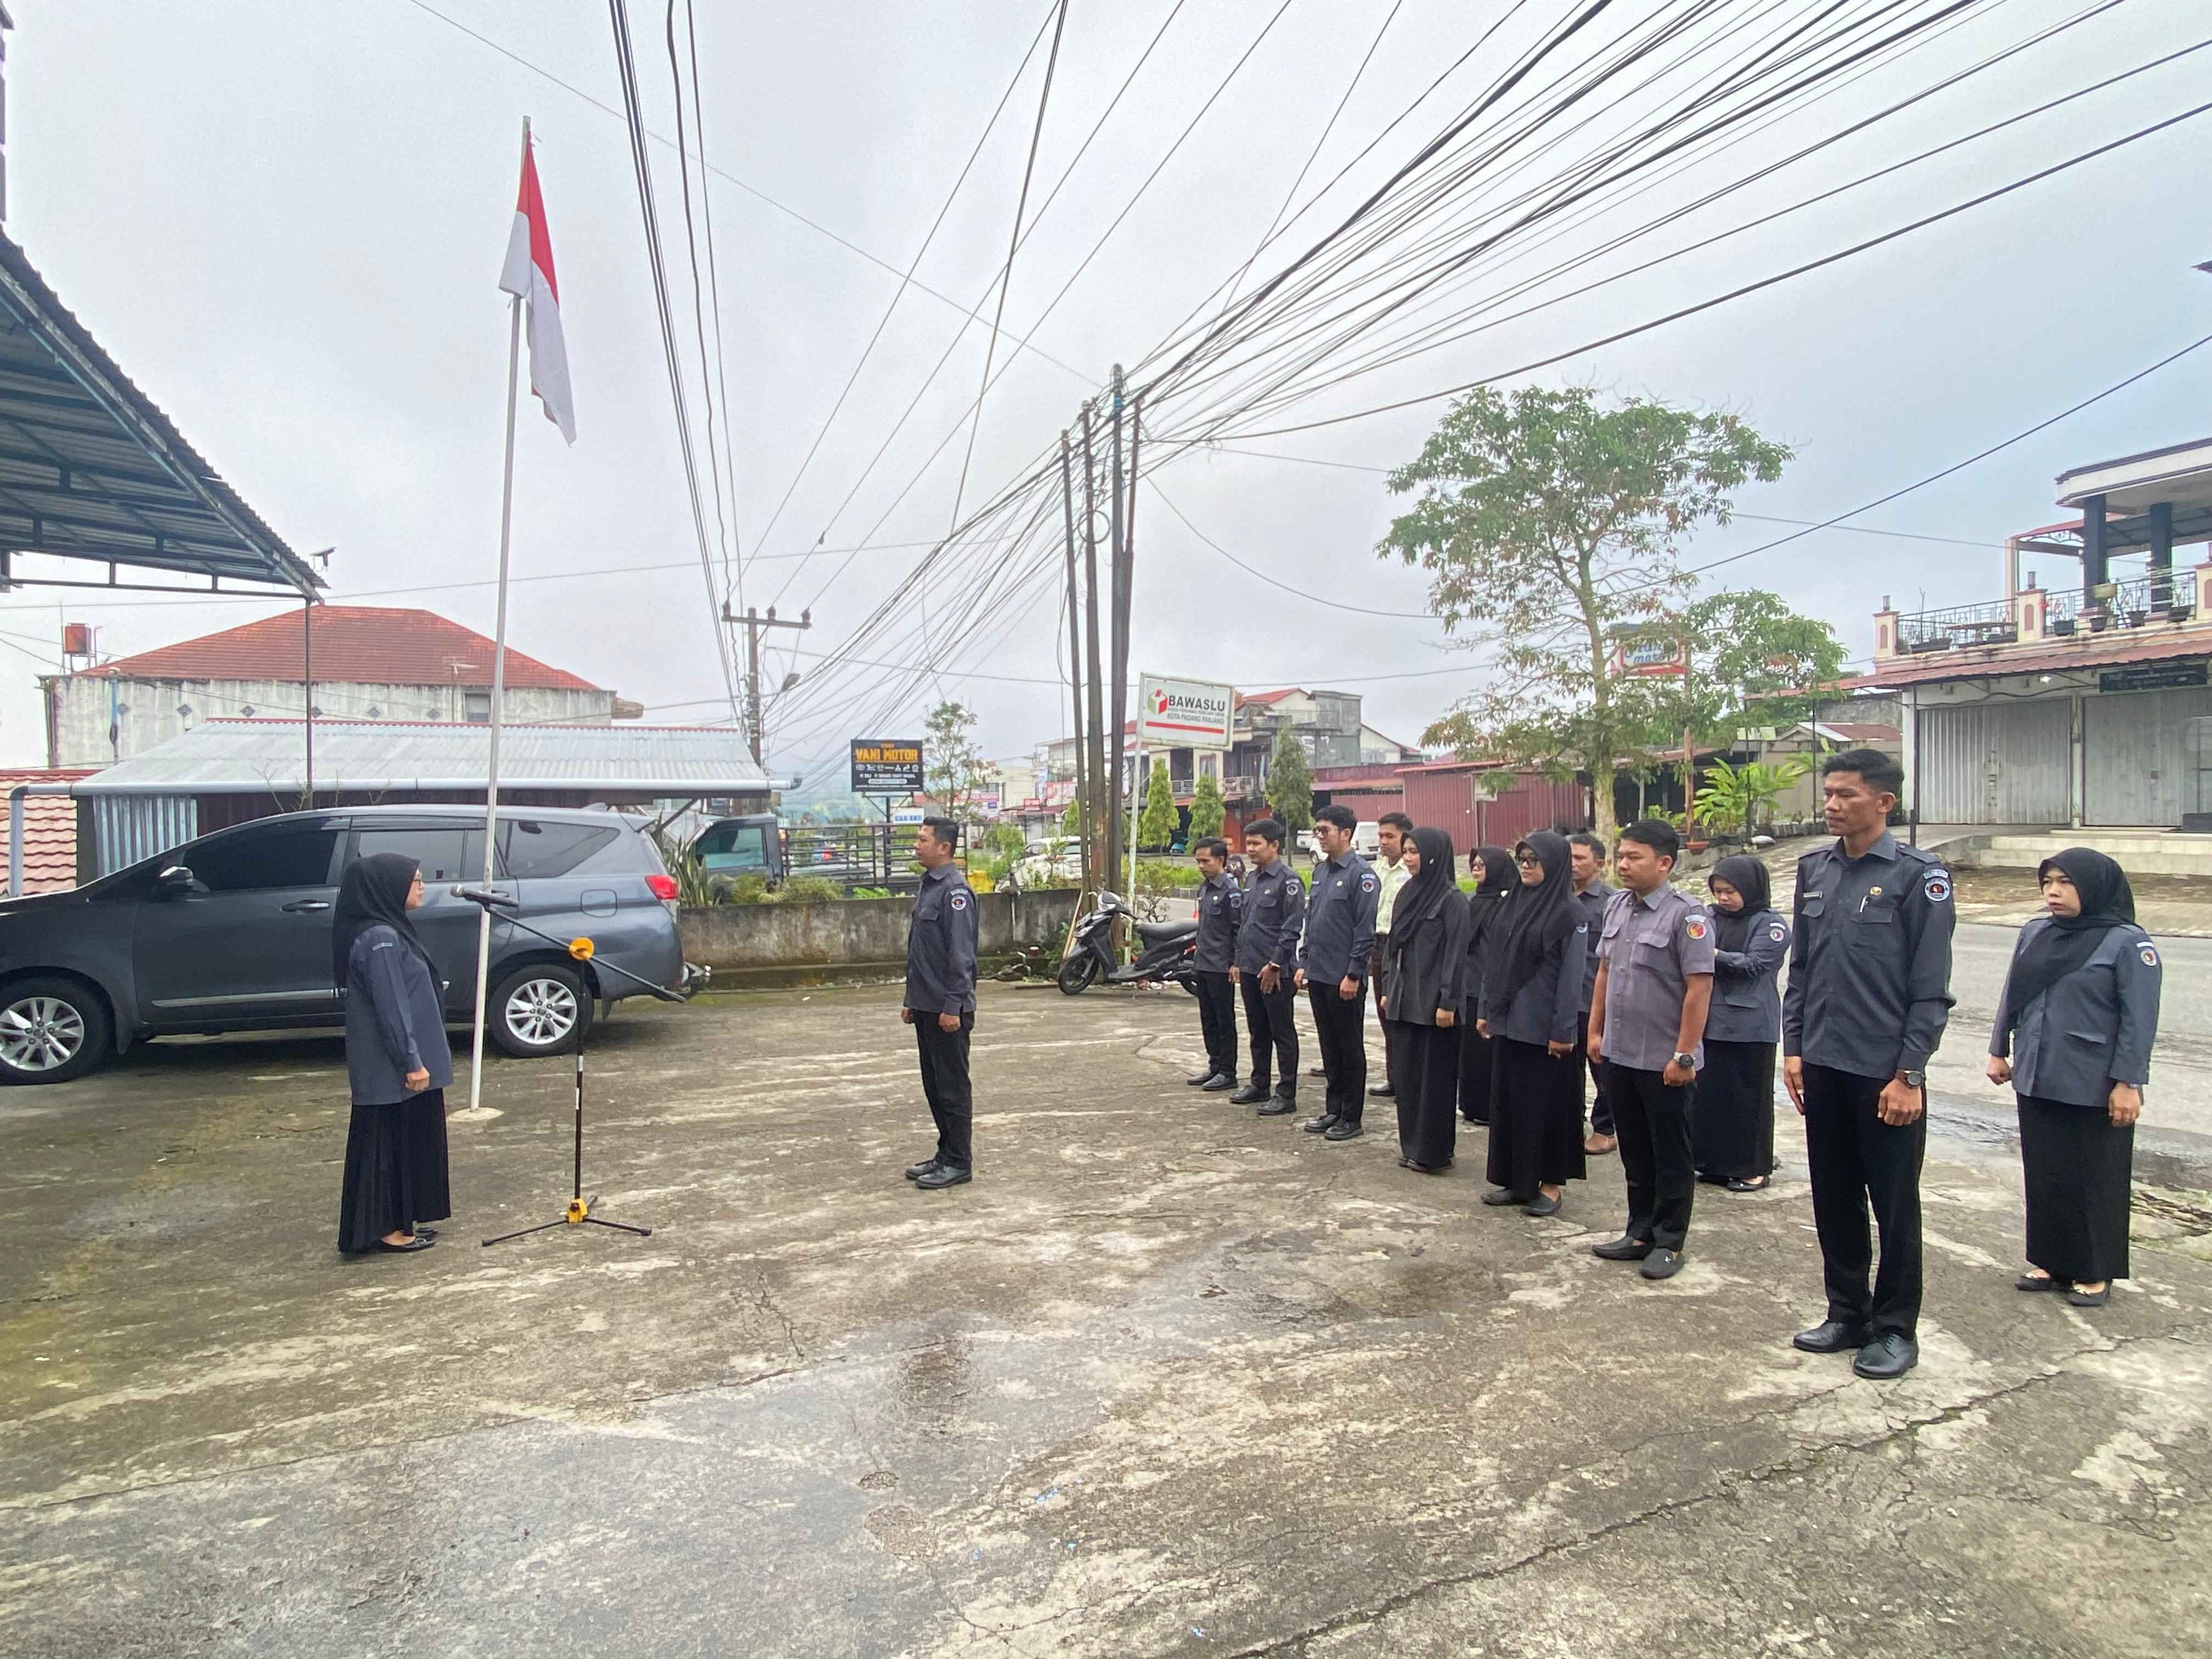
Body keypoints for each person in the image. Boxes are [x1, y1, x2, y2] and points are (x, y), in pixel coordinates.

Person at [1782, 748, 1955, 1381]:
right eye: (1828, 793)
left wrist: (1910, 1073)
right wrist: (1794, 1047)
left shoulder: (1918, 876)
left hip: (1884, 1072)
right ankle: (1846, 1312)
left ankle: (1894, 1329)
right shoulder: (1815, 870)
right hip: (1823, 1063)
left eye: (1846, 795)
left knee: (1894, 1203)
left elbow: (1931, 986)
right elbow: (1800, 970)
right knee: (1834, 1196)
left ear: (1884, 802)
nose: (1832, 804)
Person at [1985, 849, 2160, 1310]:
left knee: (2095, 1177)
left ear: (2095, 887)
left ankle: (2095, 1269)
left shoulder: (2126, 943)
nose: (2054, 892)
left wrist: (2128, 1082)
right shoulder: (2035, 932)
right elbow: (2014, 992)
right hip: (2038, 1070)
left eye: (2066, 882)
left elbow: (2138, 1021)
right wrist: (1998, 1048)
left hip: (2094, 1080)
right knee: (2046, 1172)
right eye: (2047, 882)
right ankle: (2050, 1261)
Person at [1587, 820, 1714, 1281]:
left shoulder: (1688, 915)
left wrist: (1684, 1055)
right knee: (1636, 1149)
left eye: (1633, 857)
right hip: (1620, 1052)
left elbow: (1699, 988)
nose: (1623, 864)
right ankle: (1638, 1231)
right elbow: (1605, 971)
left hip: (1664, 1060)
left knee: (1671, 1153)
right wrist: (1595, 1031)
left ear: (1665, 863)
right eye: (1621, 856)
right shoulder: (1618, 905)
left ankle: (1669, 1241)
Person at [335, 853, 452, 1255]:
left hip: (400, 1064)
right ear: (388, 887)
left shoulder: (390, 931)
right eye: (415, 880)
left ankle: (403, 1219)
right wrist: (412, 1062)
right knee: (388, 1144)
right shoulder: (379, 938)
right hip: (392, 1068)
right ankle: (388, 1229)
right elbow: (391, 1007)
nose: (422, 886)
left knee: (407, 1139)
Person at [1478, 831, 1590, 1215]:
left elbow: (1572, 979)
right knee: (1511, 1105)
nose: (1526, 867)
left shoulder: (1569, 912)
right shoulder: (1512, 905)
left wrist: (1563, 1032)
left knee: (1548, 1108)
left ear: (1554, 864)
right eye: (1522, 860)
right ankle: (1517, 1180)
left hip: (1544, 1030)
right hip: (1509, 1023)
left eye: (1534, 860)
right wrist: (1486, 1011)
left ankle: (1550, 1185)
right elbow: (1494, 963)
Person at [1697, 854, 1789, 1193]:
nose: (1723, 898)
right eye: (1718, 891)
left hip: (1750, 1025)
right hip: (1709, 1021)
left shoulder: (1770, 924)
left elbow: (1754, 965)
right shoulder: (1707, 917)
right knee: (1711, 1095)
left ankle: (1753, 1167)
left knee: (1749, 1100)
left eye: (1731, 891)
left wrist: (1712, 954)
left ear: (1750, 890)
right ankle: (1713, 1163)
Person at [1379, 827, 1469, 1173]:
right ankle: (1412, 1145)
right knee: (1408, 1078)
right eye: (1407, 851)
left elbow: (1456, 956)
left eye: (1416, 851)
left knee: (1435, 1082)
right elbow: (1393, 947)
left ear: (1434, 854)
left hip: (1435, 1007)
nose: (1409, 857)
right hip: (1405, 1001)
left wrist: (1448, 1002)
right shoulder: (1406, 893)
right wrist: (1389, 989)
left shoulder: (1452, 900)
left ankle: (1434, 1152)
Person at [902, 817, 979, 1190]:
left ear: (944, 847)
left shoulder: (955, 892)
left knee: (952, 1088)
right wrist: (911, 1000)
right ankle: (945, 1153)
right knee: (934, 1086)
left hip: (948, 1011)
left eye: (922, 839)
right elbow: (920, 952)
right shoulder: (930, 887)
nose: (916, 845)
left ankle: (959, 1162)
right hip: (926, 1005)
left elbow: (961, 957)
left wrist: (954, 1005)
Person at [1296, 803, 1380, 1142]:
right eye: (1317, 830)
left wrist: (1355, 973)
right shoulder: (1320, 872)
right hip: (1319, 972)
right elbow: (1312, 921)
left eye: (1325, 830)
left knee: (1349, 1047)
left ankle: (1351, 1116)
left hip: (1344, 977)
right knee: (1329, 1046)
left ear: (1346, 833)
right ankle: (1333, 1109)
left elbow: (1365, 930)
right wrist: (1303, 962)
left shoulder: (1362, 875)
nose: (1320, 836)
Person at [1229, 819, 1305, 1116]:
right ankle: (1259, 1083)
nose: (1251, 849)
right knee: (1257, 1029)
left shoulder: (1288, 881)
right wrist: (1238, 962)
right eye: (1248, 844)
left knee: (1281, 1031)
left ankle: (1286, 1093)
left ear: (1274, 845)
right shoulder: (1251, 879)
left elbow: (1292, 927)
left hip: (1275, 971)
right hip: (1250, 967)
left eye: (1256, 844)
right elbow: (1245, 924)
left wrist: (1276, 964)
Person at [1458, 844, 1517, 1126]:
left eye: (1483, 864)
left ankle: (1490, 1108)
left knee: (1488, 1051)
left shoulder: (1508, 905)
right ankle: (1472, 1104)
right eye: (1474, 864)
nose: (1477, 868)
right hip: (1467, 985)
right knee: (1470, 1051)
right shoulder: (1471, 900)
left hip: (1490, 984)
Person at [1569, 832, 1618, 1156]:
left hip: (1596, 999)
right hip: (1564, 999)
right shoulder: (1558, 897)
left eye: (1580, 859)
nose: (1572, 865)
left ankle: (1605, 1128)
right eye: (1569, 858)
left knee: (1603, 1068)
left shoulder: (1611, 903)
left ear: (1599, 864)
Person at [1186, 837, 1243, 1093]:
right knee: (1207, 1018)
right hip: (1204, 961)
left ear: (1220, 860)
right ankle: (1215, 1065)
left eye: (1205, 861)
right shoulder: (1206, 888)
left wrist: (1235, 963)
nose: (1201, 866)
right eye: (1198, 861)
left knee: (1223, 1020)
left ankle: (1228, 1071)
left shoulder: (1231, 892)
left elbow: (1237, 930)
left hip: (1221, 965)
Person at [1368, 811, 1415, 1102]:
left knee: (1401, 1013)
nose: (1383, 842)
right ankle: (1394, 1078)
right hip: (1378, 945)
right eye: (1381, 836)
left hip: (1401, 946)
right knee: (1385, 1015)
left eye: (1390, 836)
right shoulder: (1377, 869)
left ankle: (1408, 1080)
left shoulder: (1410, 871)